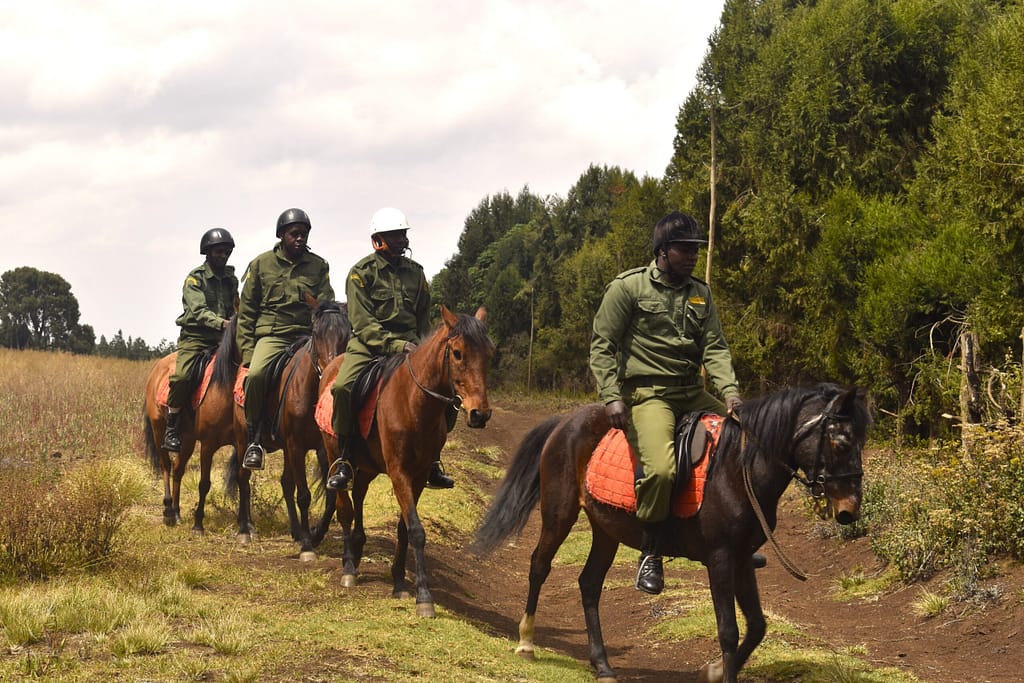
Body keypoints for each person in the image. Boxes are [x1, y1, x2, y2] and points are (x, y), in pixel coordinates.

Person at [589, 211, 757, 595]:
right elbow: (602, 346)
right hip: (649, 395)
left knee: (747, 444)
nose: (693, 256)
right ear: (662, 251)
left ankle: (737, 540)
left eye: (697, 249)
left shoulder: (701, 293)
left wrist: (730, 394)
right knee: (662, 470)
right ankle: (651, 550)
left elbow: (714, 347)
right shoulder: (628, 288)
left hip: (691, 391)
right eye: (685, 249)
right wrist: (612, 397)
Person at [325, 207, 454, 492]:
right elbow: (362, 322)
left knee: (446, 391)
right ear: (377, 240)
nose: (401, 240)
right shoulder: (360, 274)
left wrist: (423, 347)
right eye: (394, 236)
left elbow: (423, 318)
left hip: (410, 346)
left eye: (402, 234)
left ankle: (432, 460)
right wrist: (396, 344)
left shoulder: (417, 274)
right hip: (368, 346)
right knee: (344, 388)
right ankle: (344, 459)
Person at [237, 208, 334, 470]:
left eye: (304, 234)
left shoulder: (319, 266)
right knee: (256, 375)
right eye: (294, 234)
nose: (300, 238)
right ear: (281, 235)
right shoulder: (260, 265)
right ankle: (255, 438)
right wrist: (247, 354)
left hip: (307, 336)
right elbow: (247, 313)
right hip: (273, 336)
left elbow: (326, 305)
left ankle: (340, 440)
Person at [162, 228, 239, 452]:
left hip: (224, 338)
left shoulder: (231, 279)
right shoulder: (195, 279)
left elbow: (237, 305)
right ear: (207, 252)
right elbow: (198, 311)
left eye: (227, 251)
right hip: (196, 337)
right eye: (218, 252)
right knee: (183, 375)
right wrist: (223, 324)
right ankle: (172, 425)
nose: (223, 255)